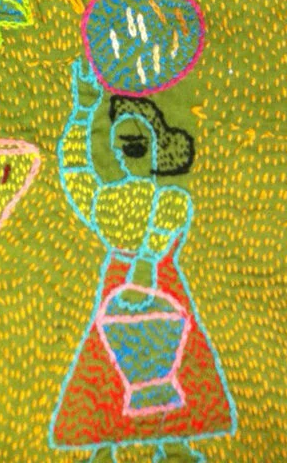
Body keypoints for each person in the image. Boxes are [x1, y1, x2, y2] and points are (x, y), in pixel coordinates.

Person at [49, 59, 235, 463]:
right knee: (108, 365)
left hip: (160, 280)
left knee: (173, 360)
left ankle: (172, 443)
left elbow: (172, 214)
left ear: (158, 147)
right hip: (119, 281)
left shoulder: (166, 196)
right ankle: (104, 446)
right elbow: (76, 171)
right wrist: (82, 112)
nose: (123, 154)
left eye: (135, 145)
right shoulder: (108, 201)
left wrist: (147, 263)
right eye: (119, 145)